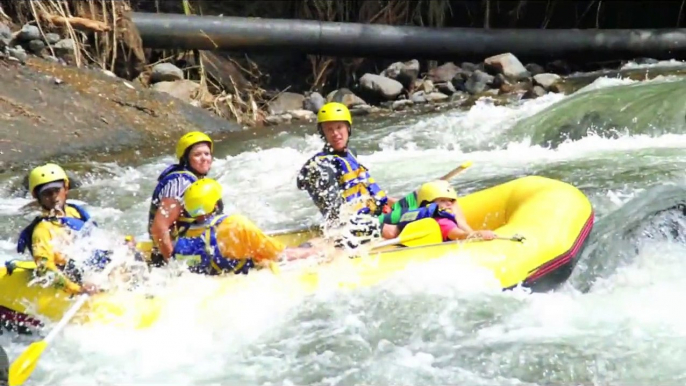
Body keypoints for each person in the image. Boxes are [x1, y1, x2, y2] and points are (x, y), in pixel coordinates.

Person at [297, 102, 423, 245]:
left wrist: (390, 202)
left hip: (376, 213)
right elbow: (336, 217)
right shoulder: (322, 166)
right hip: (355, 224)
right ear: (323, 133)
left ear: (348, 128)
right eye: (329, 129)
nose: (335, 134)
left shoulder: (350, 155)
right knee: (396, 229)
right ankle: (297, 252)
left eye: (339, 127)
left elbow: (361, 189)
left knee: (427, 195)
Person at [172, 178, 326, 275]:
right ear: (216, 203)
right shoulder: (234, 226)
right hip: (245, 281)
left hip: (206, 283)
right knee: (319, 244)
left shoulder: (180, 233)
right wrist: (318, 252)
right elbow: (280, 255)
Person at [15, 163, 109, 295]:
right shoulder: (42, 230)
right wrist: (77, 289)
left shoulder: (75, 212)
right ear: (38, 197)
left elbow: (98, 240)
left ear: (66, 188)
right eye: (47, 193)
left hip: (90, 268)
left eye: (57, 190)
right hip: (71, 279)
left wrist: (125, 243)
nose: (54, 196)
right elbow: (44, 269)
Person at [148, 131, 214, 266]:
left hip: (189, 248)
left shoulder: (195, 181)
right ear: (186, 159)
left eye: (207, 154)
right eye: (197, 154)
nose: (204, 158)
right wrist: (174, 266)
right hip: (174, 257)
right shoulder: (181, 182)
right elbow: (159, 228)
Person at [383, 180, 497, 242]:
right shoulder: (442, 221)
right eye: (442, 200)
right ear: (428, 204)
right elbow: (460, 235)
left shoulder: (426, 215)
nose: (449, 204)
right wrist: (479, 234)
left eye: (451, 201)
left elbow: (462, 224)